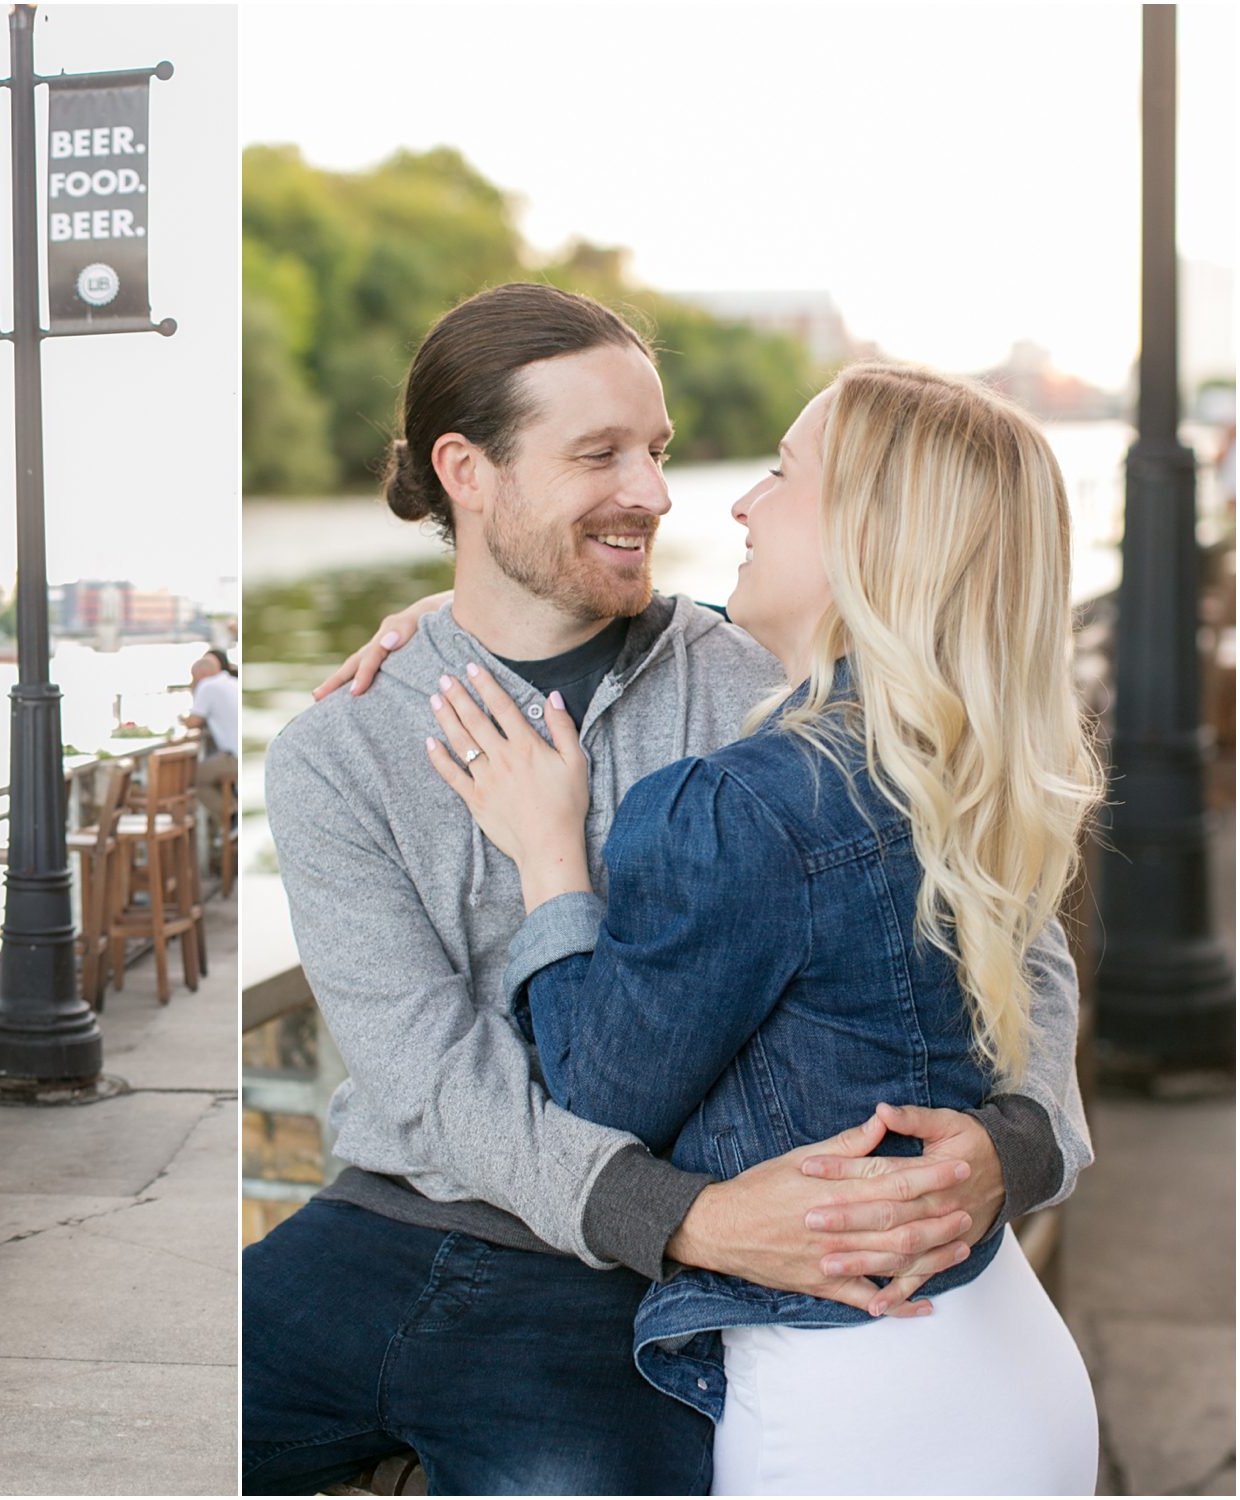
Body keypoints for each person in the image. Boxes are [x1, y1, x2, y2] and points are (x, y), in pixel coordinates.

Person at [247, 284, 1091, 1495]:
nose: (654, 492)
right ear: (465, 473)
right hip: (395, 1219)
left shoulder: (762, 676)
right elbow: (419, 1072)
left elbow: (1003, 915)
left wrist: (1021, 1141)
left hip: (626, 1272)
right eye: (599, 454)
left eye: (656, 449)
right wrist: (691, 1218)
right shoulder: (338, 745)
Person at [183, 648, 241, 837]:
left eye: (193, 678)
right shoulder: (231, 681)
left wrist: (180, 719)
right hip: (237, 754)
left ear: (200, 675)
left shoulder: (207, 686)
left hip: (234, 757)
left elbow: (193, 722)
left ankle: (232, 816)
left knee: (192, 778)